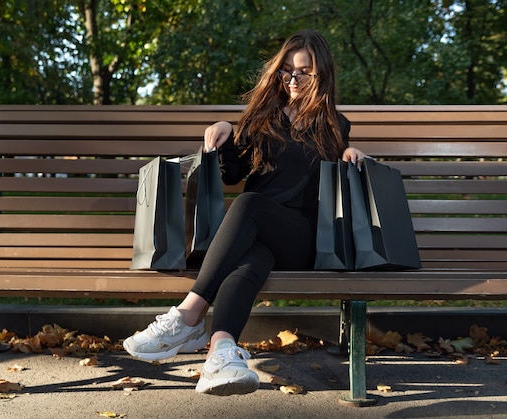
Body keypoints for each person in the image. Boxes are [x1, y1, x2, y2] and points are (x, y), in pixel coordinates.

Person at [123, 29, 366, 396]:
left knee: (250, 205)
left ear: (322, 76)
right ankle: (221, 355)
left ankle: (188, 314)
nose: (293, 79)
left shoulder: (334, 125)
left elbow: (335, 182)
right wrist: (228, 134)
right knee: (248, 262)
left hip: (305, 238)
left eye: (304, 72)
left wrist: (352, 155)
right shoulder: (262, 117)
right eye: (286, 70)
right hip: (256, 235)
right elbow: (232, 176)